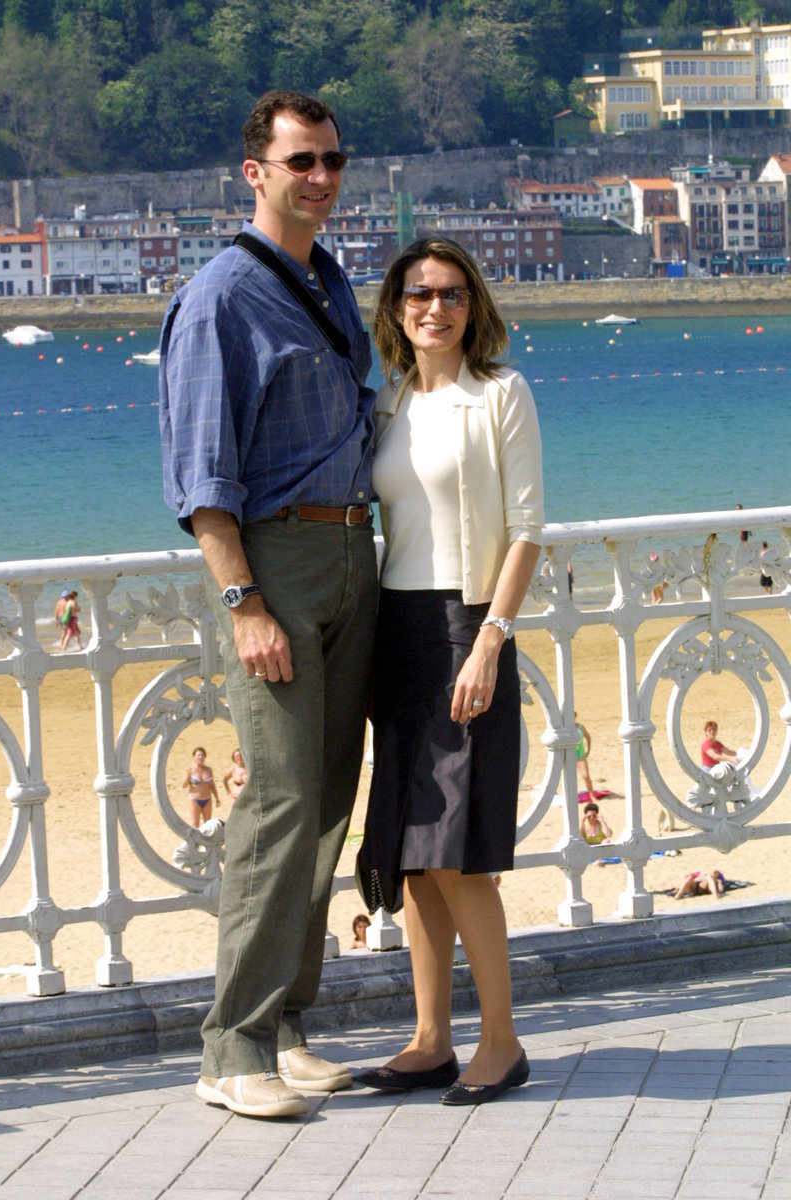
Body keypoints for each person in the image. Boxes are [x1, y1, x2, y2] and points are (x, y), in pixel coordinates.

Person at [159, 90, 377, 1120]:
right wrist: (243, 601)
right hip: (277, 563)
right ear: (254, 172)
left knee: (326, 804)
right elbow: (202, 477)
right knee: (278, 801)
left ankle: (287, 1025)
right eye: (302, 161)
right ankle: (230, 1046)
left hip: (351, 549)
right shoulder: (218, 298)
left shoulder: (329, 279)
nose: (321, 177)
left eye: (333, 160)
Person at [355, 236, 543, 1106]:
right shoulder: (388, 404)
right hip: (396, 632)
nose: (437, 307)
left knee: (460, 855)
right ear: (397, 308)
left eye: (454, 294)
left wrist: (490, 641)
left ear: (475, 307)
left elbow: (527, 529)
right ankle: (431, 1040)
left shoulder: (500, 394)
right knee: (414, 852)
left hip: (468, 627)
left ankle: (501, 1042)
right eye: (420, 294)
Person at [182, 746, 221, 827]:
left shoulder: (208, 770)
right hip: (194, 800)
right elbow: (184, 785)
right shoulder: (189, 769)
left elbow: (212, 785)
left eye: (202, 755)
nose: (200, 757)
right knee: (195, 824)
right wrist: (188, 776)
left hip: (207, 799)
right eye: (198, 755)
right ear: (194, 757)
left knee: (208, 824)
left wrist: (217, 798)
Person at [575, 714, 596, 800]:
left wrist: (588, 750)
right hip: (568, 755)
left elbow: (588, 737)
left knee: (585, 775)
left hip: (580, 754)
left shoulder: (580, 727)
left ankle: (591, 795)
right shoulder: (564, 729)